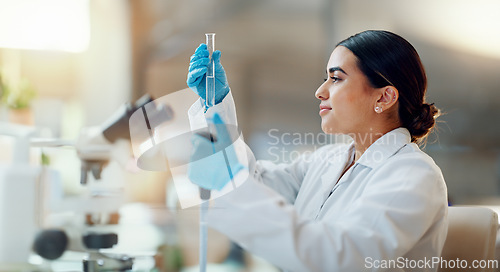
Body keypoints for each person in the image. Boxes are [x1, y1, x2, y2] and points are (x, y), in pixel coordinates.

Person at [186, 30, 448, 272]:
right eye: (326, 78)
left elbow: (343, 259)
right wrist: (216, 105)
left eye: (336, 78)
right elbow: (255, 183)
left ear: (384, 97)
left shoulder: (413, 175)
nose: (320, 92)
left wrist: (231, 185)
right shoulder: (327, 160)